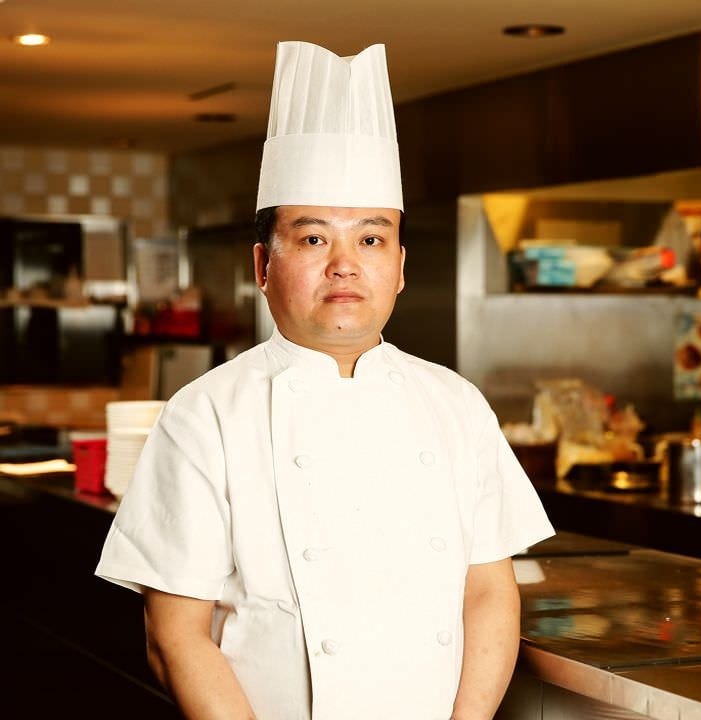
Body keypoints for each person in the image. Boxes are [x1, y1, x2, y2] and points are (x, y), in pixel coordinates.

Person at [96, 41, 554, 720]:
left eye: (371, 239)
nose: (345, 265)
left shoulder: (456, 404)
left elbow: (488, 592)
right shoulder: (206, 414)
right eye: (314, 239)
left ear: (400, 266)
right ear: (262, 265)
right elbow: (175, 636)